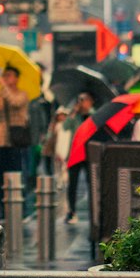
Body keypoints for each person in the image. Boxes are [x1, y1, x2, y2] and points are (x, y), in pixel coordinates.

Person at [0, 65, 31, 219]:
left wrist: (2, 86)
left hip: (15, 142)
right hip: (0, 141)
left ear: (16, 78)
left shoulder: (22, 94)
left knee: (17, 176)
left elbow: (15, 102)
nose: (6, 78)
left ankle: (20, 209)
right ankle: (2, 211)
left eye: (9, 75)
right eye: (5, 75)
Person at [65, 89, 96, 223]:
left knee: (92, 183)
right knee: (72, 183)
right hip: (76, 153)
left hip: (89, 154)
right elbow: (65, 127)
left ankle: (94, 211)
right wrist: (74, 111)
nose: (83, 102)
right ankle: (71, 211)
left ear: (91, 101)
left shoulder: (94, 115)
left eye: (86, 99)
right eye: (81, 99)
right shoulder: (74, 116)